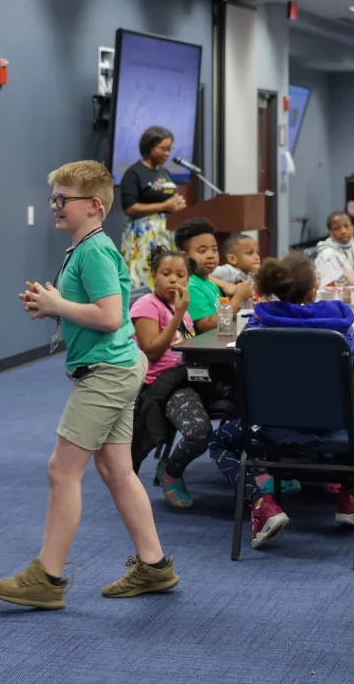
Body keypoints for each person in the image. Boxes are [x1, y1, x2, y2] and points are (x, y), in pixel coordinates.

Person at [0, 160, 177, 608]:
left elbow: (111, 316)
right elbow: (98, 309)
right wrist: (54, 305)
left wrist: (60, 305)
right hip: (116, 366)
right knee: (115, 469)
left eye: (63, 199)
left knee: (62, 470)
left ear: (94, 205)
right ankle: (154, 567)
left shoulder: (93, 250)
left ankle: (46, 578)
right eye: (53, 198)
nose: (54, 206)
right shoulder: (87, 247)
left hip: (107, 372)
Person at [206, 252, 354, 549]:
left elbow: (245, 376)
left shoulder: (255, 330)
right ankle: (349, 497)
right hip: (332, 425)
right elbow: (347, 374)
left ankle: (262, 504)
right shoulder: (340, 328)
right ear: (314, 290)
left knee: (219, 441)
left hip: (268, 424)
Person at [130, 247, 212, 509]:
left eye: (181, 275)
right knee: (198, 433)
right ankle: (172, 471)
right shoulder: (147, 305)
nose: (174, 280)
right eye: (166, 274)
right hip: (164, 383)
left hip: (190, 377)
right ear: (154, 275)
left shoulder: (181, 309)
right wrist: (177, 314)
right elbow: (152, 350)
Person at [120, 126, 186, 287]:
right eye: (162, 149)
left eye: (169, 149)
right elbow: (130, 208)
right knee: (145, 276)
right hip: (144, 235)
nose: (167, 154)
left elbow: (170, 199)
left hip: (167, 232)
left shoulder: (164, 172)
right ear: (149, 146)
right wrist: (164, 205)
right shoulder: (134, 173)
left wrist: (177, 204)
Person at [176, 218, 253, 334]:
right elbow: (206, 325)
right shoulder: (190, 287)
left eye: (214, 250)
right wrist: (238, 298)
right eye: (202, 251)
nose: (211, 255)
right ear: (185, 257)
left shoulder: (210, 282)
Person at [316, 210, 354, 285]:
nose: (343, 231)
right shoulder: (326, 254)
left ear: (352, 229)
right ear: (330, 233)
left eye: (346, 226)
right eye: (336, 228)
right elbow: (330, 285)